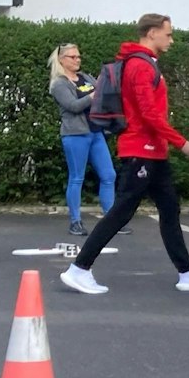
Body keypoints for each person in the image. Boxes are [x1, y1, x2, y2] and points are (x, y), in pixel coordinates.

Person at [58, 14, 189, 297]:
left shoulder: (145, 64)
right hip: (140, 151)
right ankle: (79, 269)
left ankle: (188, 272)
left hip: (152, 152)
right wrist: (182, 143)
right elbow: (147, 114)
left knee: (169, 209)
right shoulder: (140, 67)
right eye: (168, 34)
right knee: (121, 212)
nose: (171, 39)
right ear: (152, 33)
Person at [48, 42, 116, 235]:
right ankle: (75, 221)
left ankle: (111, 220)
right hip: (75, 134)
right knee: (77, 178)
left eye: (78, 56)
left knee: (109, 175)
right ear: (62, 60)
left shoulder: (85, 77)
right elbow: (73, 106)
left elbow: (103, 94)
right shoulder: (59, 84)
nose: (77, 60)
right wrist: (93, 96)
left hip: (95, 132)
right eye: (73, 57)